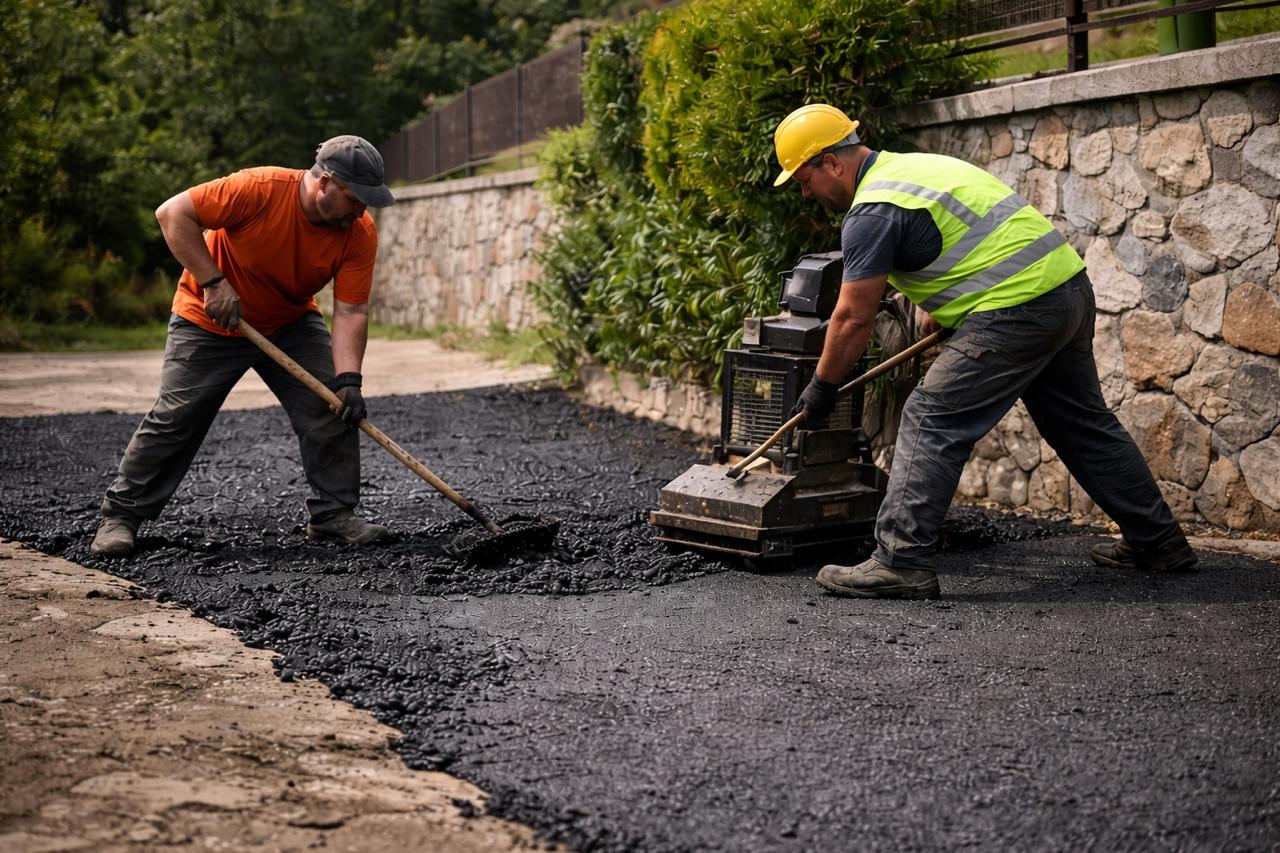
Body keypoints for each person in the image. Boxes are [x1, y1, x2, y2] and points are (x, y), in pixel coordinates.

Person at [772, 104, 1196, 599]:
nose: (805, 193)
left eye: (803, 180)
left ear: (831, 162)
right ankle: (1159, 542)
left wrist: (823, 386)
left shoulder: (872, 210)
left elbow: (852, 318)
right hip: (1065, 289)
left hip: (1018, 307)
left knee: (932, 416)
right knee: (1081, 423)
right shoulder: (913, 169)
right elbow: (964, 241)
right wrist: (943, 305)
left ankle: (900, 561)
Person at [90, 135, 397, 557]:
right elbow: (172, 213)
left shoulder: (358, 232)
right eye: (355, 199)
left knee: (331, 405)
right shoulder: (259, 188)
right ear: (324, 182)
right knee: (178, 416)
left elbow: (351, 310)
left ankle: (333, 515)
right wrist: (214, 283)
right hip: (208, 320)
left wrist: (349, 380)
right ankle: (121, 516)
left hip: (289, 321)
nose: (361, 211)